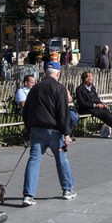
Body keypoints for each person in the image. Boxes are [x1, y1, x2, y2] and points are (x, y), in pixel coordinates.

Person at [22, 63, 76, 206]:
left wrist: (29, 128)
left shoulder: (34, 89)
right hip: (55, 131)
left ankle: (28, 195)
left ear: (45, 73)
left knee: (33, 161)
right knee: (61, 159)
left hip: (37, 129)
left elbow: (26, 110)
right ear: (57, 74)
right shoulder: (60, 89)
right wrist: (67, 133)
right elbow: (63, 113)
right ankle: (67, 189)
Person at [74, 70, 112, 138]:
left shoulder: (92, 88)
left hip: (97, 107)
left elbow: (96, 99)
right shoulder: (80, 89)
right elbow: (82, 103)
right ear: (86, 79)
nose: (92, 78)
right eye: (90, 76)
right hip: (88, 108)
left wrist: (101, 103)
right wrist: (95, 105)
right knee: (106, 116)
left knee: (110, 115)